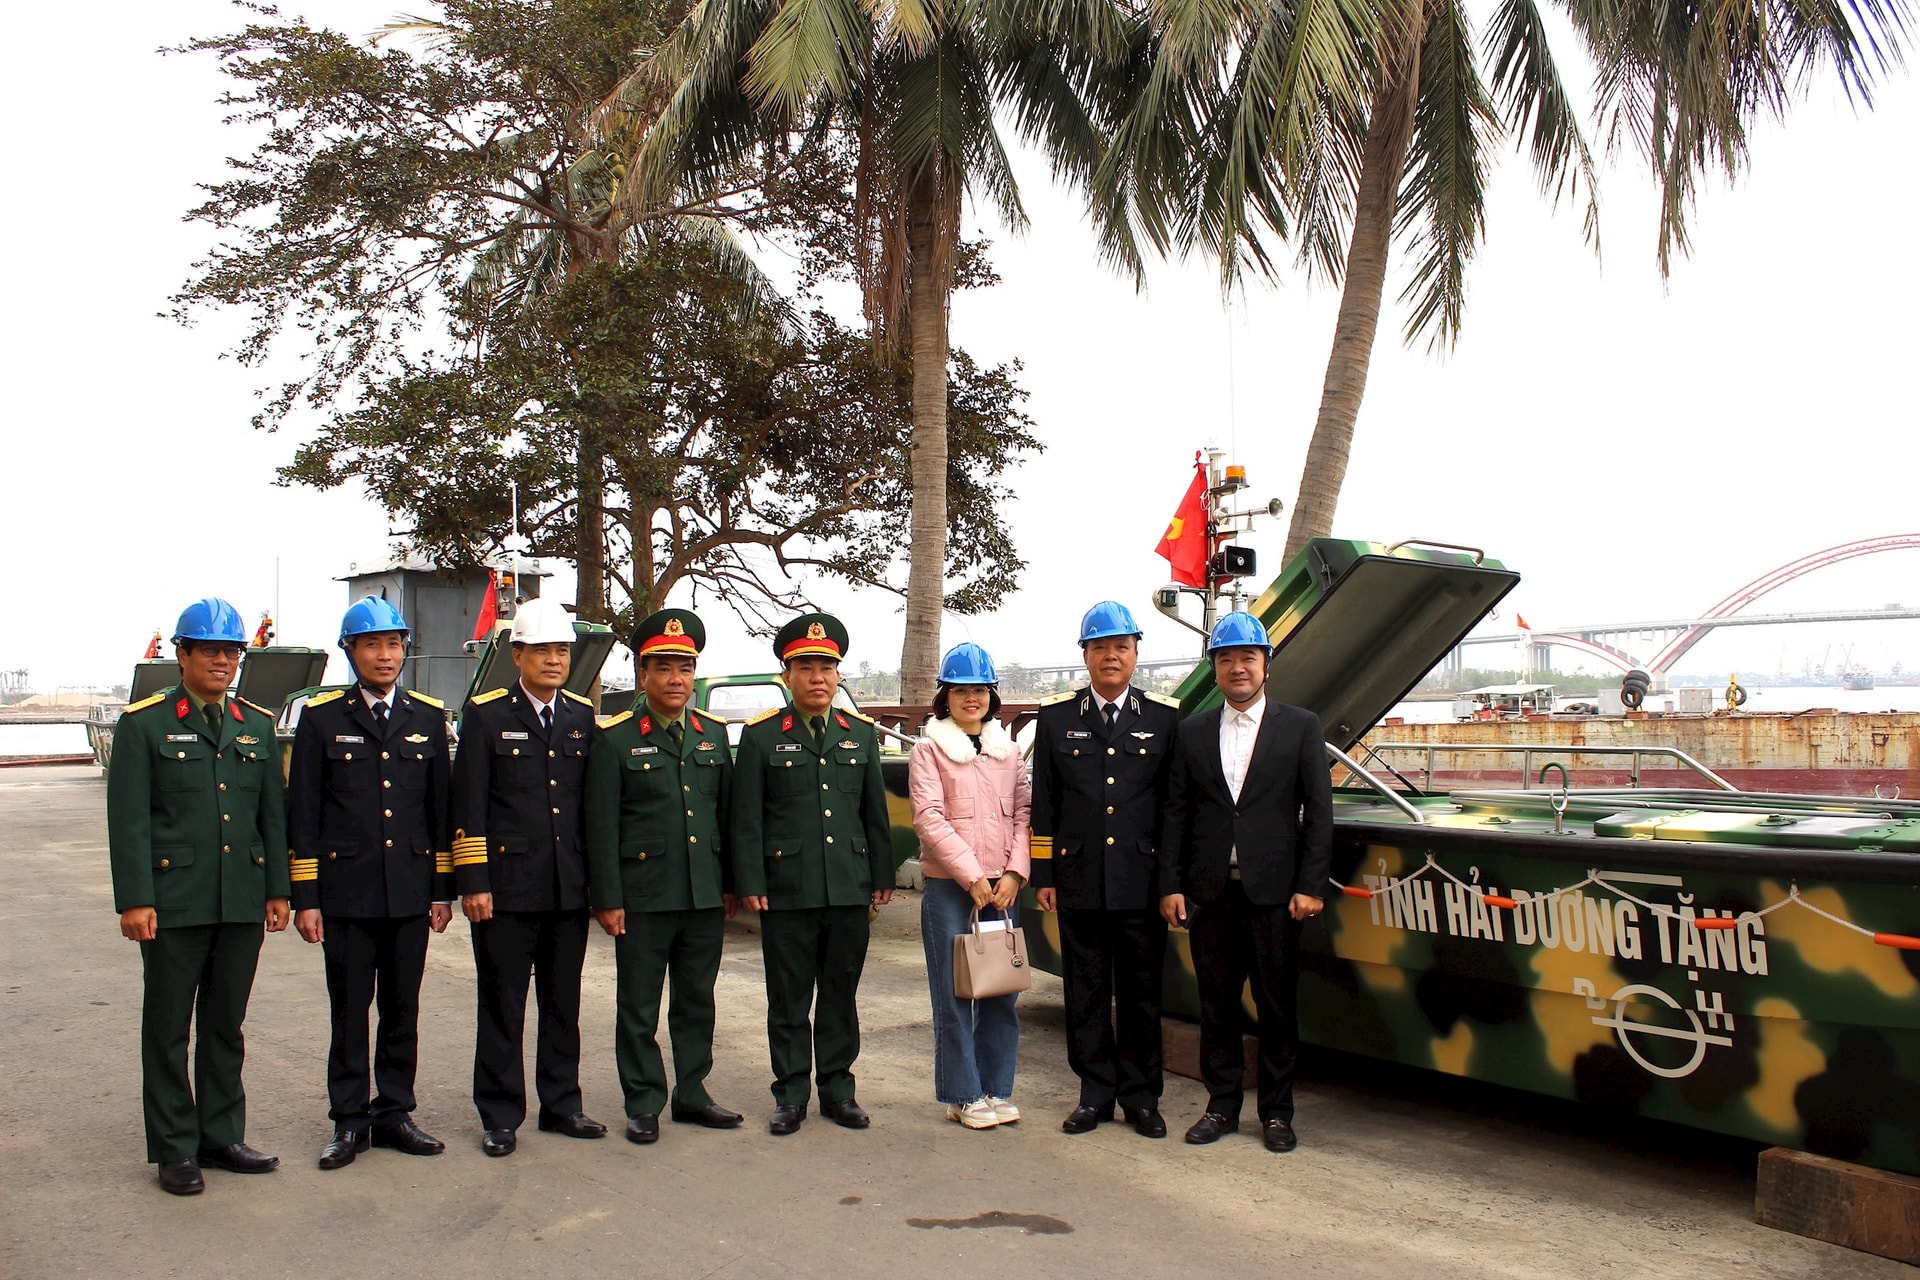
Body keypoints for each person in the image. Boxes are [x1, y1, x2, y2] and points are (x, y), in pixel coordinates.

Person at [106, 598, 291, 1196]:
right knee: (167, 1028)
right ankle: (174, 1148)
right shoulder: (144, 724)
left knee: (225, 1025)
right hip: (174, 900)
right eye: (208, 649)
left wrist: (277, 891)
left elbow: (272, 818)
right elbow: (129, 820)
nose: (221, 660)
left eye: (231, 651)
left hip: (240, 900)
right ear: (181, 655)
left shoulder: (256, 725)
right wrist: (135, 900)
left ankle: (220, 1135)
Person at [286, 596, 453, 1170]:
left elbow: (440, 811)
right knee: (350, 1011)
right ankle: (349, 1121)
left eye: (394, 644)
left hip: (410, 892)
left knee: (402, 1009)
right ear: (350, 651)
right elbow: (303, 814)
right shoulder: (322, 719)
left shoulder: (428, 718)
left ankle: (395, 1113)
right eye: (372, 645)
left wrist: (441, 890)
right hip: (347, 893)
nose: (385, 656)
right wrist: (307, 898)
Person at [1159, 611, 1333, 1153]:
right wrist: (1171, 884)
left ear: (1266, 665)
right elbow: (1176, 815)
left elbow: (1319, 814)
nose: (1238, 667)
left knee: (1277, 1006)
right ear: (1214, 668)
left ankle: (1277, 1114)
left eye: (1248, 657)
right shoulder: (1191, 731)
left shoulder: (1300, 726)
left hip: (1276, 896)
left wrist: (1311, 886)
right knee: (1216, 1006)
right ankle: (1221, 1106)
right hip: (1211, 895)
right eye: (1227, 658)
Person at [450, 597, 606, 1156]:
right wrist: (473, 883)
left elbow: (588, 808)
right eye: (542, 650)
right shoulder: (487, 716)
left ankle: (562, 1105)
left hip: (566, 888)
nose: (554, 660)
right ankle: (499, 1114)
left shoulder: (581, 717)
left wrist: (595, 886)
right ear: (517, 655)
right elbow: (468, 807)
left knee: (563, 1004)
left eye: (562, 650)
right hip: (506, 892)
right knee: (502, 1006)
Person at [730, 613, 893, 1135]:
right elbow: (747, 819)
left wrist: (882, 873)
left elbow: (874, 812)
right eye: (806, 667)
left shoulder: (860, 734)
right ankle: (791, 1093)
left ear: (838, 674)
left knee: (840, 994)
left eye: (827, 667)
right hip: (787, 889)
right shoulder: (760, 738)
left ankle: (838, 1090)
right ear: (787, 675)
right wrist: (751, 881)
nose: (818, 677)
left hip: (848, 885)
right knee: (789, 995)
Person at [585, 608, 743, 1145]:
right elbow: (601, 827)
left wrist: (730, 885)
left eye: (685, 668)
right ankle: (644, 1099)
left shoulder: (713, 735)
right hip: (643, 896)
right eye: (664, 668)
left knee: (697, 1000)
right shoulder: (615, 738)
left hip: (702, 894)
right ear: (643, 674)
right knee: (639, 1005)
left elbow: (726, 817)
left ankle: (693, 1094)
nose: (676, 679)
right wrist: (607, 897)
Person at [1030, 601, 1181, 1138]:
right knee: (1086, 991)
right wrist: (1043, 875)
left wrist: (1171, 884)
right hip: (1078, 879)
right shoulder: (1056, 718)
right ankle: (1094, 1093)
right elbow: (1044, 801)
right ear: (1085, 656)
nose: (1110, 656)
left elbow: (1172, 809)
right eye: (1100, 647)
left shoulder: (1166, 718)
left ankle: (1142, 1098)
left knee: (1142, 994)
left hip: (1141, 883)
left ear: (1136, 654)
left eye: (1121, 646)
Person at [908, 642, 1032, 1129]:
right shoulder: (928, 750)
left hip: (1003, 891)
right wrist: (973, 878)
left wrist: (1016, 874)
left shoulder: (1009, 752)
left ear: (992, 695)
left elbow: (1024, 815)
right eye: (960, 690)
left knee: (1003, 991)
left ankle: (997, 1089)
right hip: (951, 891)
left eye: (979, 689)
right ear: (945, 697)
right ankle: (962, 1094)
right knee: (955, 994)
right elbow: (930, 820)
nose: (971, 698)